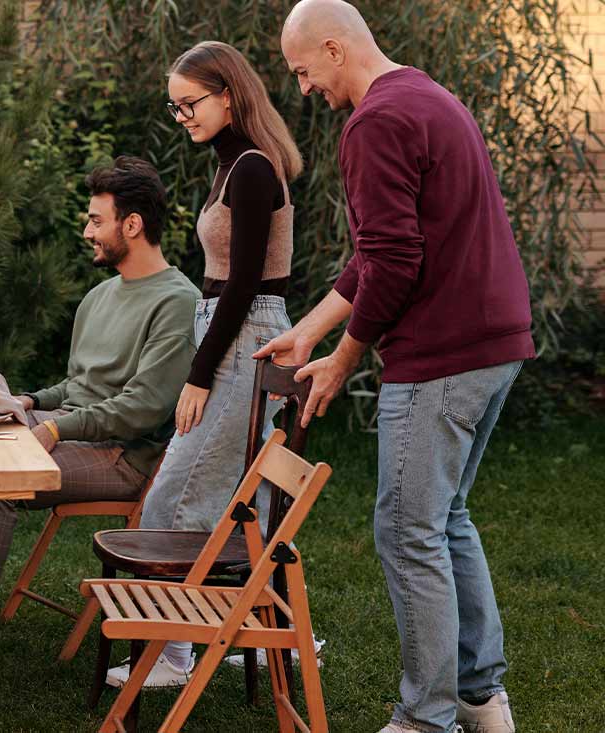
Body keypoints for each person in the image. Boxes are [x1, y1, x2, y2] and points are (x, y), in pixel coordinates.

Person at [267, 3, 532, 731]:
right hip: (495, 345)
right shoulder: (428, 95)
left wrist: (343, 358)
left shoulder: (375, 121)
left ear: (331, 47)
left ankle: (426, 717)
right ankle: (481, 699)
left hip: (440, 356)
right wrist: (308, 331)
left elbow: (394, 262)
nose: (305, 89)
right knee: (444, 520)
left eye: (303, 72)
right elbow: (377, 253)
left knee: (406, 529)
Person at [0, 156, 199, 669]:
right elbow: (81, 385)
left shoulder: (177, 302)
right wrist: (29, 402)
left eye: (97, 219)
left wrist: (52, 427)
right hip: (75, 432)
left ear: (132, 225)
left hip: (123, 456)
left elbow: (142, 408)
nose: (87, 230)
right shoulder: (100, 296)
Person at [108, 40, 305, 690]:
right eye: (175, 107)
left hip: (243, 337)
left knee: (178, 492)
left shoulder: (251, 168)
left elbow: (246, 281)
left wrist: (199, 373)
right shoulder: (231, 165)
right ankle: (225, 635)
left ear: (227, 93)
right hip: (229, 329)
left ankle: (173, 653)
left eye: (189, 103)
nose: (182, 115)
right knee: (192, 487)